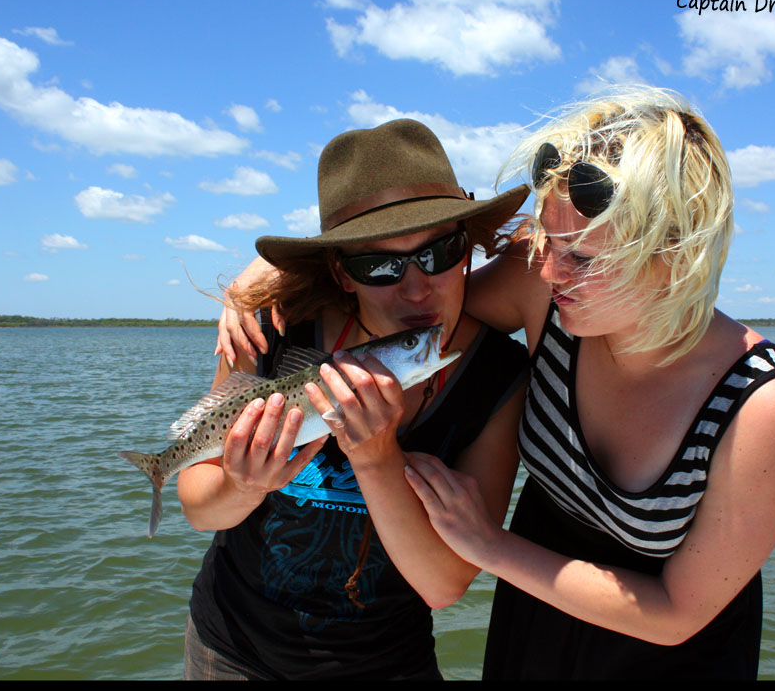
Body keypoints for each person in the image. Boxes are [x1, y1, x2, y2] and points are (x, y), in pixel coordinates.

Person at [218, 86, 775, 679]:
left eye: (580, 257)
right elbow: (413, 290)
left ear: (678, 254)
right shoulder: (543, 293)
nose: (548, 268)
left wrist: (490, 546)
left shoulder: (760, 401)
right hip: (533, 625)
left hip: (663, 652)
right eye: (547, 241)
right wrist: (276, 273)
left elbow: (679, 613)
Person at [179, 118, 530, 680]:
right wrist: (241, 484)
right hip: (230, 650)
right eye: (380, 265)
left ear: (468, 250)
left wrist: (375, 456)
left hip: (386, 663)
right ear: (342, 273)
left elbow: (444, 584)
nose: (417, 288)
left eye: (440, 253)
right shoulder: (268, 331)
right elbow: (197, 506)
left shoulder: (500, 377)